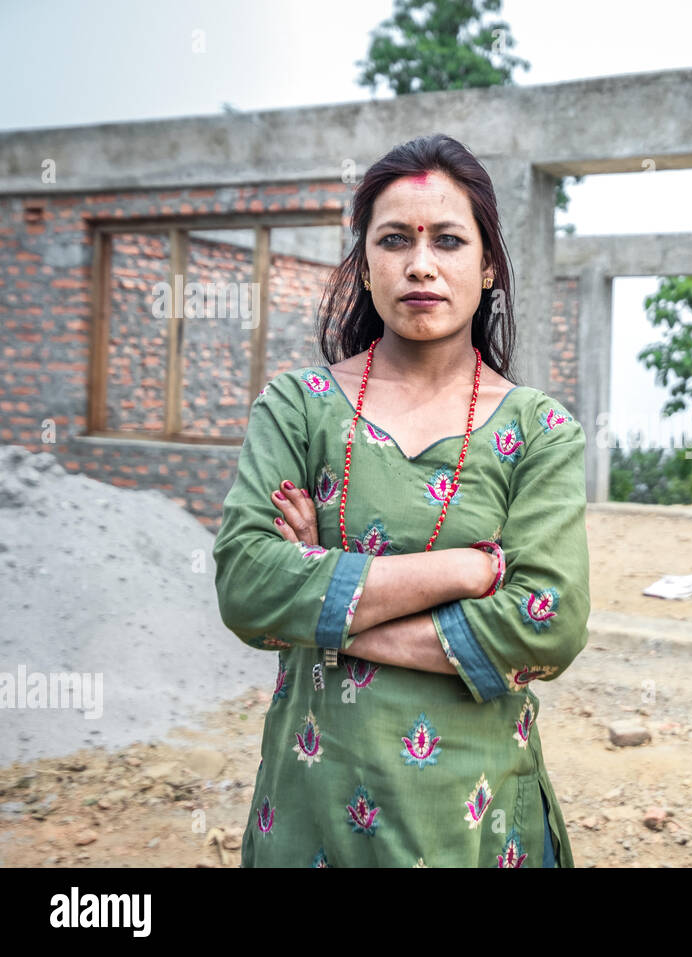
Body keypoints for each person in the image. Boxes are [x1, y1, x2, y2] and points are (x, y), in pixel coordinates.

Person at [212, 133, 590, 867]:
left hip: (476, 821)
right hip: (313, 808)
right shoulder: (298, 408)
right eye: (394, 240)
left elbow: (548, 622)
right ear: (364, 266)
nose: (420, 263)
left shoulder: (539, 429)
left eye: (448, 240)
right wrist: (463, 572)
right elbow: (247, 586)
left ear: (486, 269)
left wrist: (320, 606)